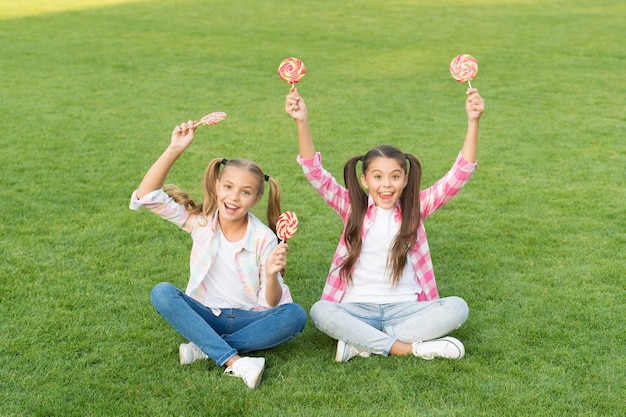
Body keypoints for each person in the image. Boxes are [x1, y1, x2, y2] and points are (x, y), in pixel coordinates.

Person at [285, 87, 485, 362]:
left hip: (405, 308)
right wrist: (301, 121)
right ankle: (406, 347)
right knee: (321, 311)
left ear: (405, 180)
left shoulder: (416, 208)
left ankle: (361, 342)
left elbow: (459, 175)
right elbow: (315, 172)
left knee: (457, 307)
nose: (386, 184)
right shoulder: (351, 207)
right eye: (378, 177)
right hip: (356, 307)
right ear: (365, 180)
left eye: (394, 177)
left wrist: (473, 120)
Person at [129, 120, 307, 388]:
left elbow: (271, 304)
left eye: (245, 192)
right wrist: (174, 148)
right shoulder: (200, 222)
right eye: (228, 187)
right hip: (206, 315)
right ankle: (234, 361)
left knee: (295, 316)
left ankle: (205, 347)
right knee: (162, 292)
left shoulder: (264, 239)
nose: (234, 198)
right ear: (216, 186)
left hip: (249, 319)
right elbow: (148, 196)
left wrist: (272, 275)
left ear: (256, 199)